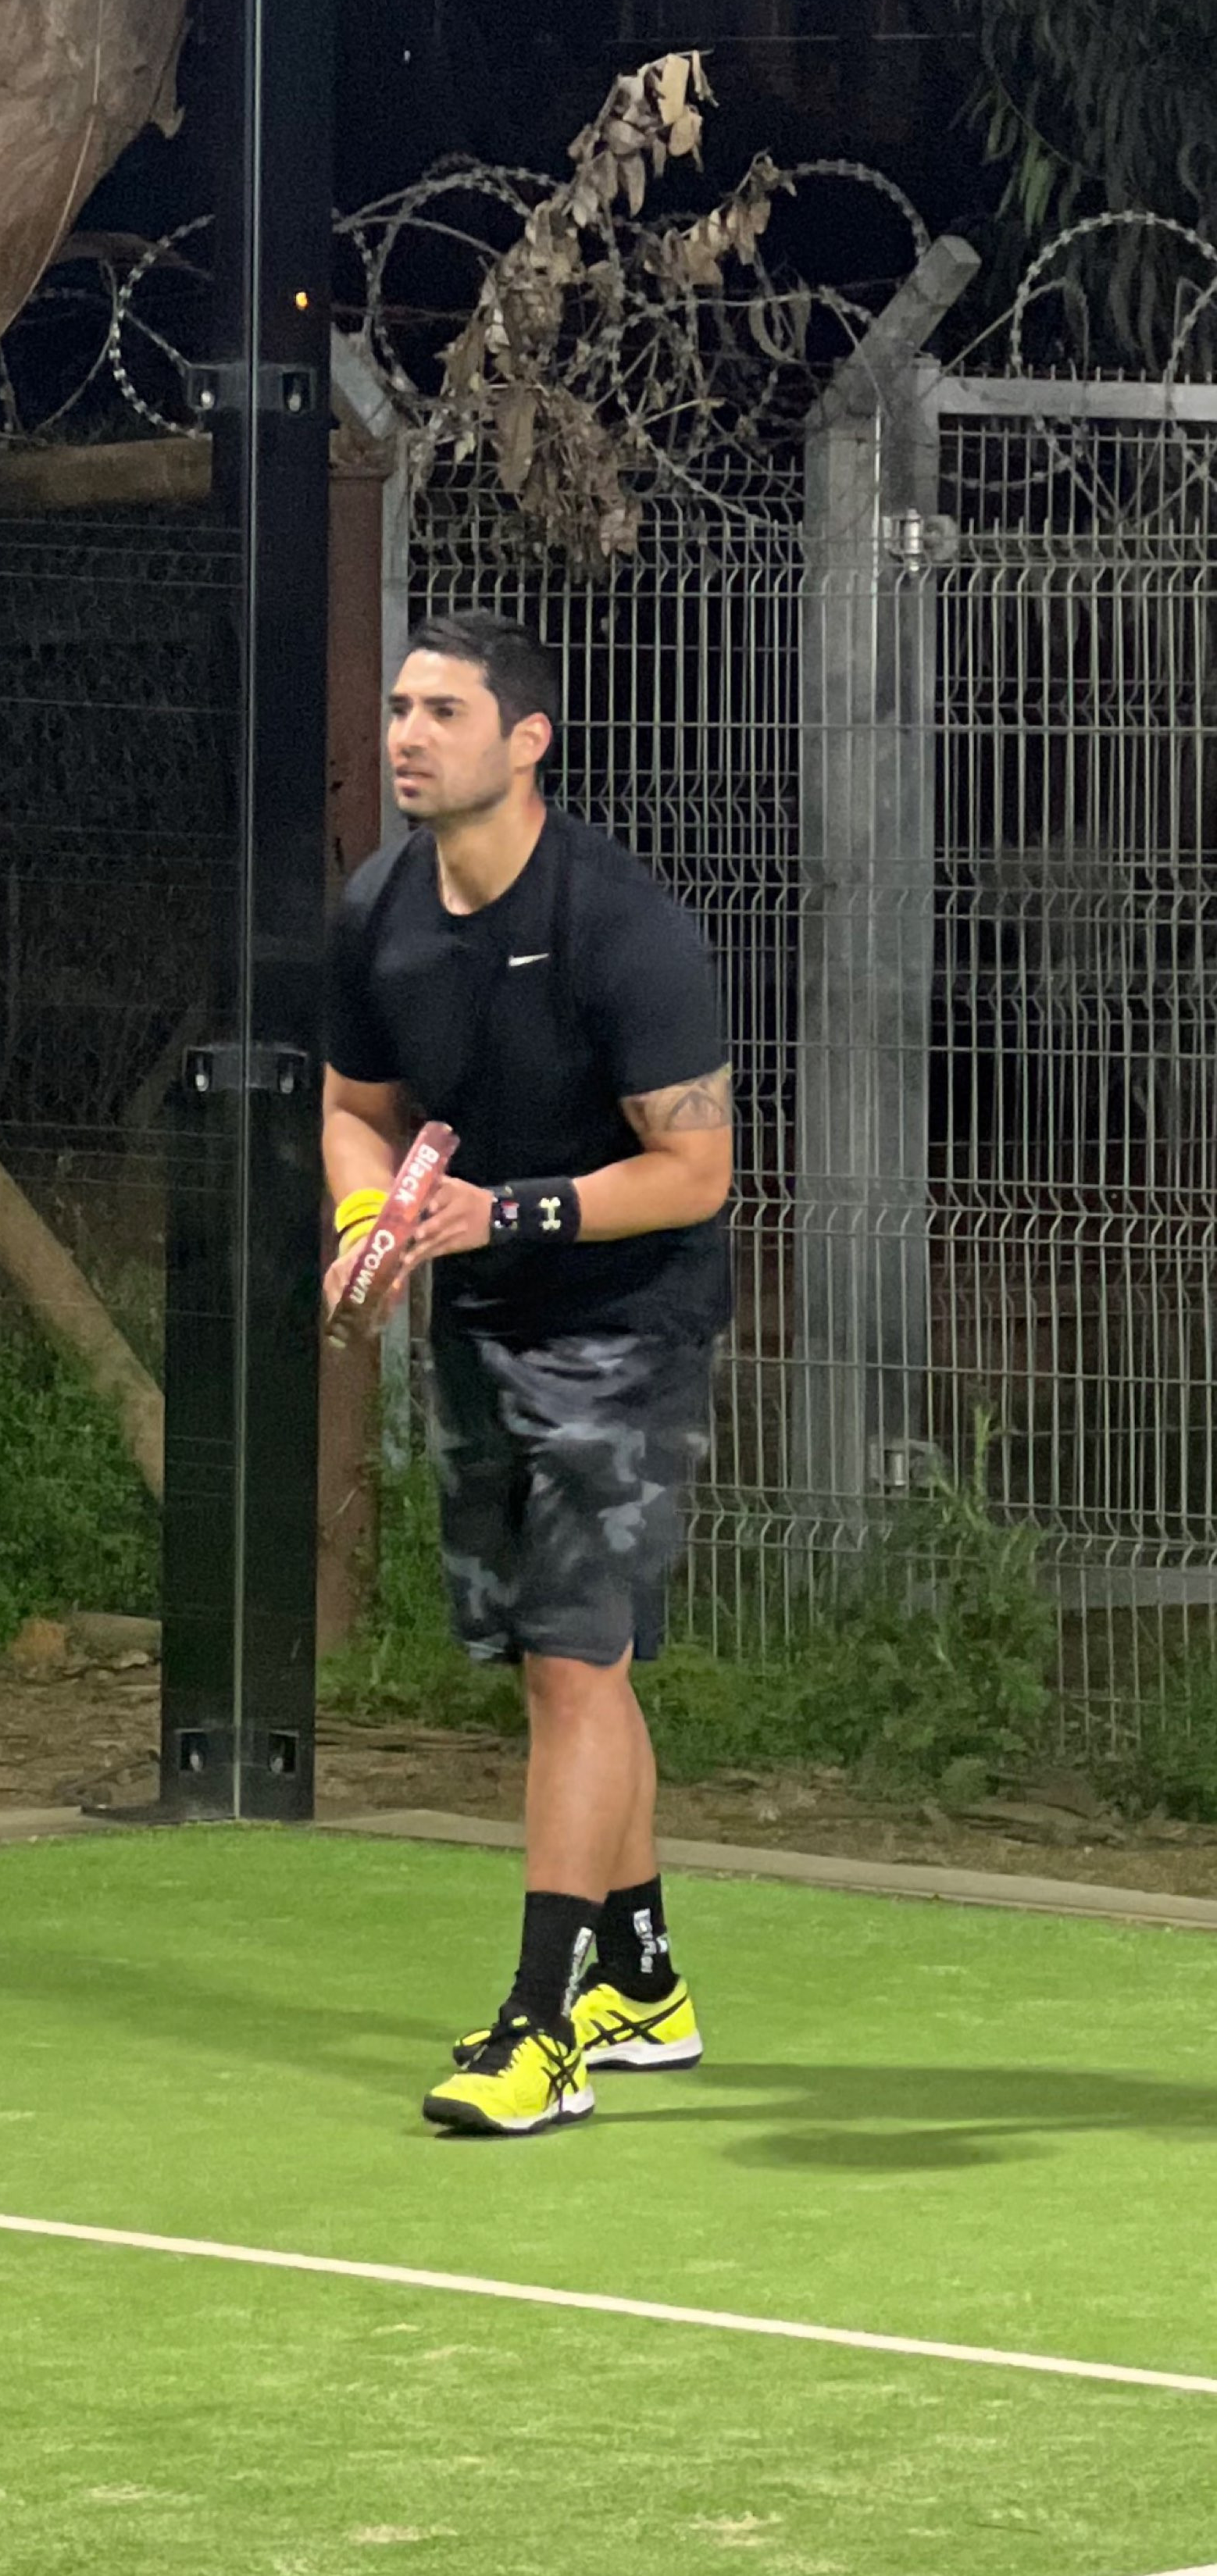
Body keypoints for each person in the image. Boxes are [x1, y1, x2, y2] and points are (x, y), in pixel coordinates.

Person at [323, 613, 732, 2136]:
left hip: (628, 1324)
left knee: (573, 1664)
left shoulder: (627, 926)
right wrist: (369, 1225)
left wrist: (509, 1213)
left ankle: (539, 2028)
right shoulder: (378, 908)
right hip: (481, 1324)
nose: (407, 733)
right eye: (400, 706)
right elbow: (355, 1107)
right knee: (567, 1668)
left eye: (445, 711)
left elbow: (696, 1169)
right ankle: (643, 1985)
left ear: (527, 740)